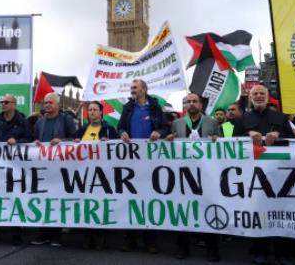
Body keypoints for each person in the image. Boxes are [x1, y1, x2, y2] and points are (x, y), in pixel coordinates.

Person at [233, 84, 294, 265]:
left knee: (280, 213)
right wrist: (247, 134)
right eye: (255, 93)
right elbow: (234, 141)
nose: (259, 96)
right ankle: (260, 251)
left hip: (279, 173)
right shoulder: (243, 119)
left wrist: (279, 134)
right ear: (250, 97)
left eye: (262, 93)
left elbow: (292, 139)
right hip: (254, 174)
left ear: (267, 97)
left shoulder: (280, 117)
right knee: (259, 213)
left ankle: (282, 253)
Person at [117, 79, 169, 254]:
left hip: (151, 161)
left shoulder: (154, 107)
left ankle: (150, 240)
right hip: (131, 161)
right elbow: (120, 127)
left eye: (135, 88)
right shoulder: (127, 107)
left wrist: (159, 132)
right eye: (131, 88)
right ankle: (129, 239)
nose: (132, 90)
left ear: (144, 90)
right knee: (130, 199)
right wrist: (122, 133)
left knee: (150, 199)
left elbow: (165, 128)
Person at [170, 93, 221, 261]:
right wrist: (169, 140)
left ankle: (211, 249)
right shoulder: (176, 124)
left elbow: (223, 145)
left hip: (207, 174)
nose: (191, 104)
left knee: (207, 207)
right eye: (188, 101)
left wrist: (217, 139)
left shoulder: (212, 122)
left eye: (194, 101)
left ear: (201, 105)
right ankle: (182, 247)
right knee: (184, 210)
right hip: (183, 174)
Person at [31, 92, 76, 247]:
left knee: (57, 200)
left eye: (50, 102)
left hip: (60, 167)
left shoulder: (66, 120)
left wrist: (62, 141)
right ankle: (43, 234)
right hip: (43, 166)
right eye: (45, 102)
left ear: (58, 105)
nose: (47, 105)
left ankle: (56, 235)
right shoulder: (39, 123)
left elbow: (75, 139)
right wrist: (35, 142)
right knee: (43, 200)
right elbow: (34, 140)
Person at [73, 101, 118, 250]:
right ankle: (88, 236)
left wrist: (109, 143)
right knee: (87, 205)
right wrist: (75, 142)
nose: (91, 112)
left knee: (101, 205)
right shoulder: (82, 129)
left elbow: (118, 149)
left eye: (95, 109)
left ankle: (102, 236)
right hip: (85, 174)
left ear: (101, 112)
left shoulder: (108, 129)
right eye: (90, 109)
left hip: (103, 175)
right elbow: (70, 146)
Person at [0, 94, 31, 245]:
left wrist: (18, 141)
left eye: (6, 102)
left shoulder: (23, 122)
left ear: (14, 104)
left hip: (16, 167)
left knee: (14, 196)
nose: (3, 104)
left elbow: (30, 139)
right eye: (1, 102)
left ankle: (16, 233)